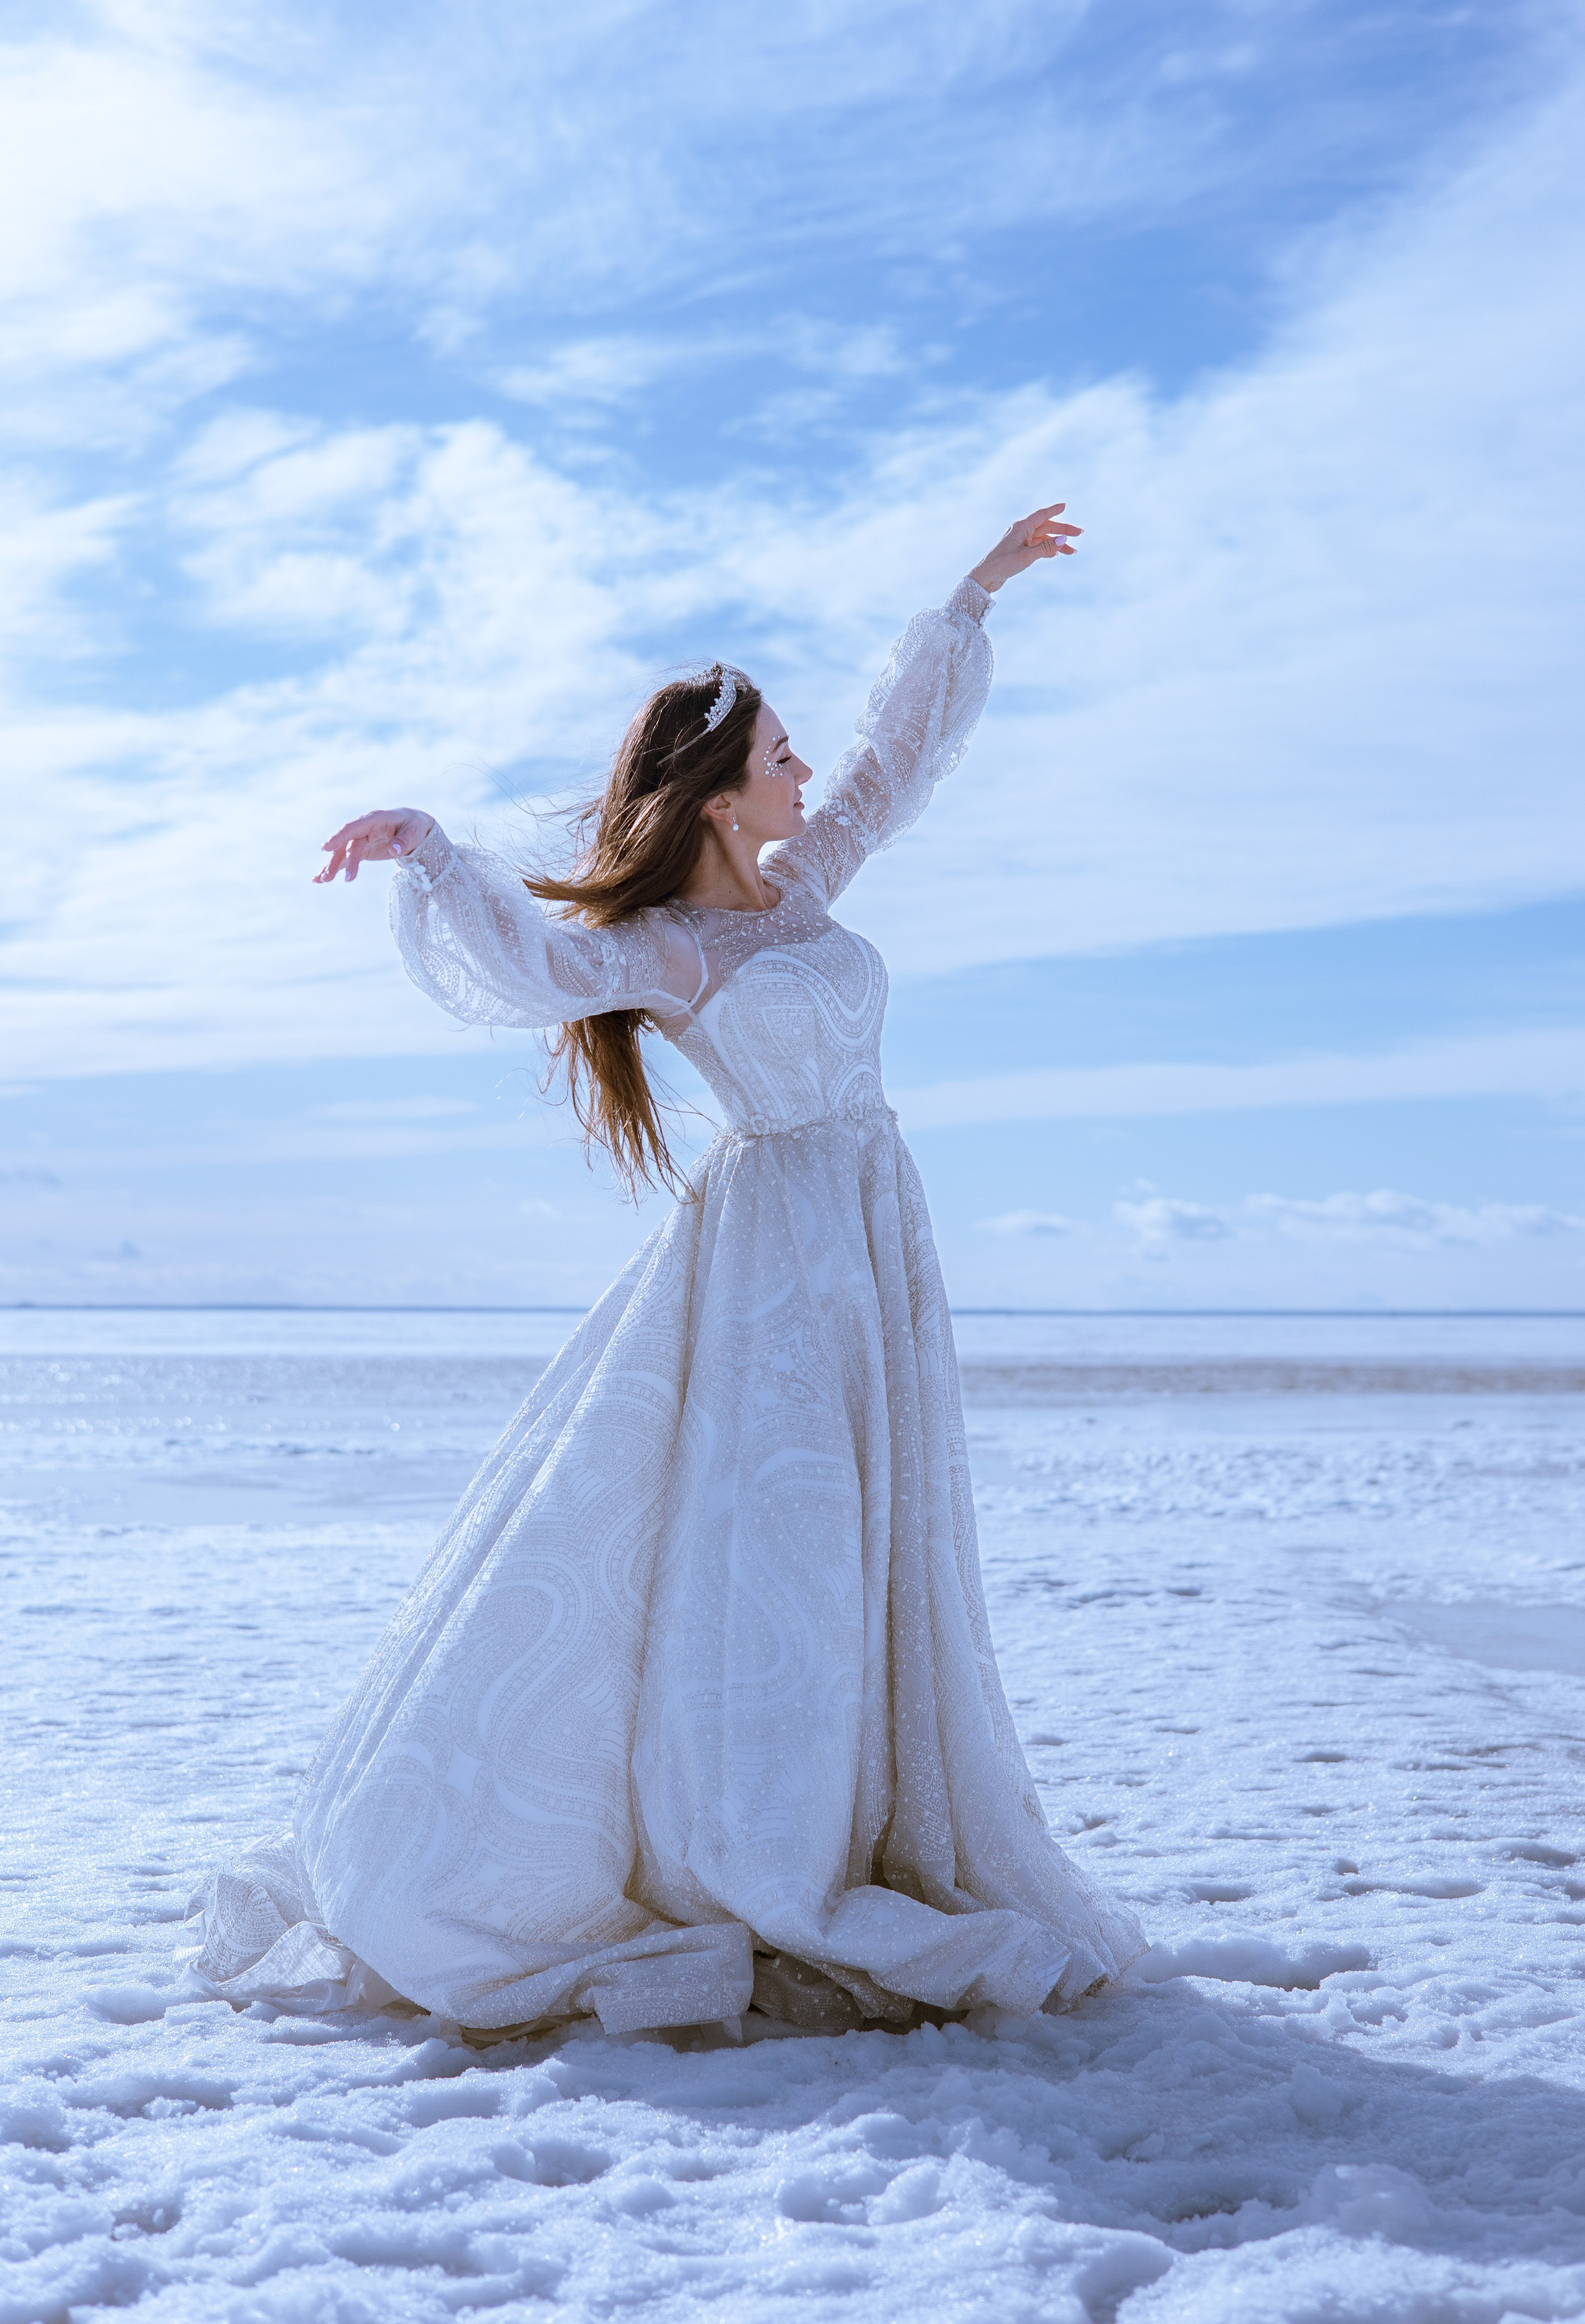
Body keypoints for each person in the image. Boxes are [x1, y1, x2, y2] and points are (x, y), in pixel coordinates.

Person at [189, 505, 1145, 2036]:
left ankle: (848, 1819)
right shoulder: (675, 954)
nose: (807, 772)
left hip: (870, 1239)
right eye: (777, 754)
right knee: (766, 1546)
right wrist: (430, 849)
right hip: (771, 1261)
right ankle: (749, 1841)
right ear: (713, 795)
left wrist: (972, 594)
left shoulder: (811, 885)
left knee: (862, 1542)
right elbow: (535, 964)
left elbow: (900, 751)